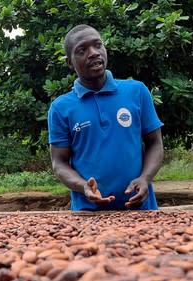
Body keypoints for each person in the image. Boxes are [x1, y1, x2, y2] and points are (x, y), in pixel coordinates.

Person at [47, 24, 164, 211]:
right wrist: (83, 186)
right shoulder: (61, 108)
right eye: (82, 50)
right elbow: (59, 162)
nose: (93, 53)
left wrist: (145, 178)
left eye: (98, 45)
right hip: (88, 214)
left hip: (140, 209)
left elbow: (155, 143)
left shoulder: (136, 91)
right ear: (70, 63)